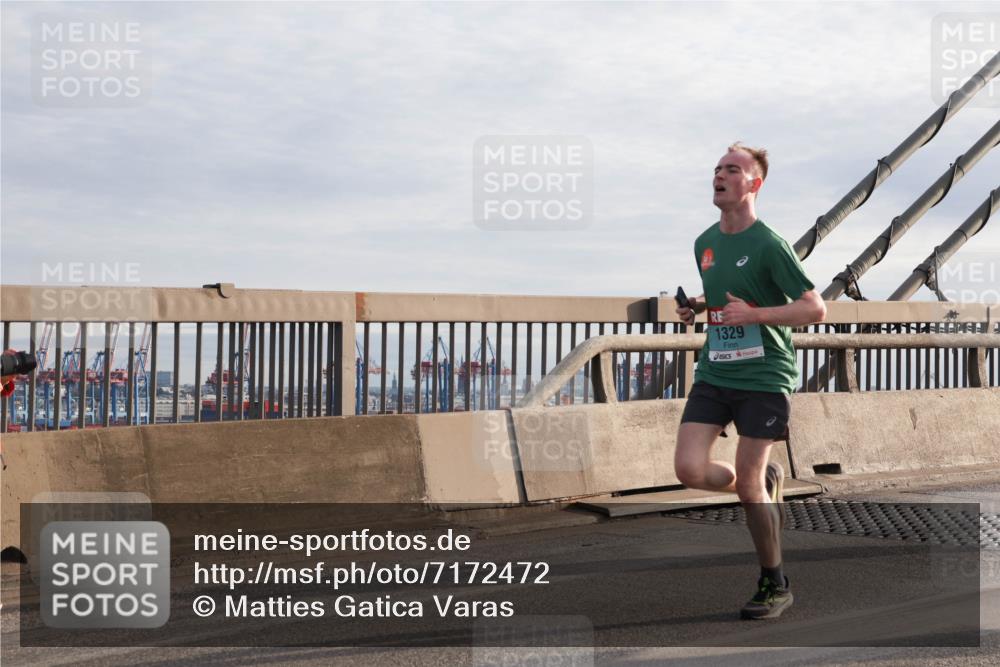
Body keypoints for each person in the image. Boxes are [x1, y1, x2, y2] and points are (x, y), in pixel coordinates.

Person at [674, 142, 826, 620]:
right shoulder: (705, 242)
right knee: (689, 471)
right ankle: (760, 483)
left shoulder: (769, 244)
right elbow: (724, 292)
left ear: (753, 184)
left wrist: (756, 313)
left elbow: (813, 308)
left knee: (746, 492)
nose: (720, 174)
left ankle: (774, 582)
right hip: (716, 369)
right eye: (717, 168)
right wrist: (698, 306)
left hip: (764, 374)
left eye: (732, 169)